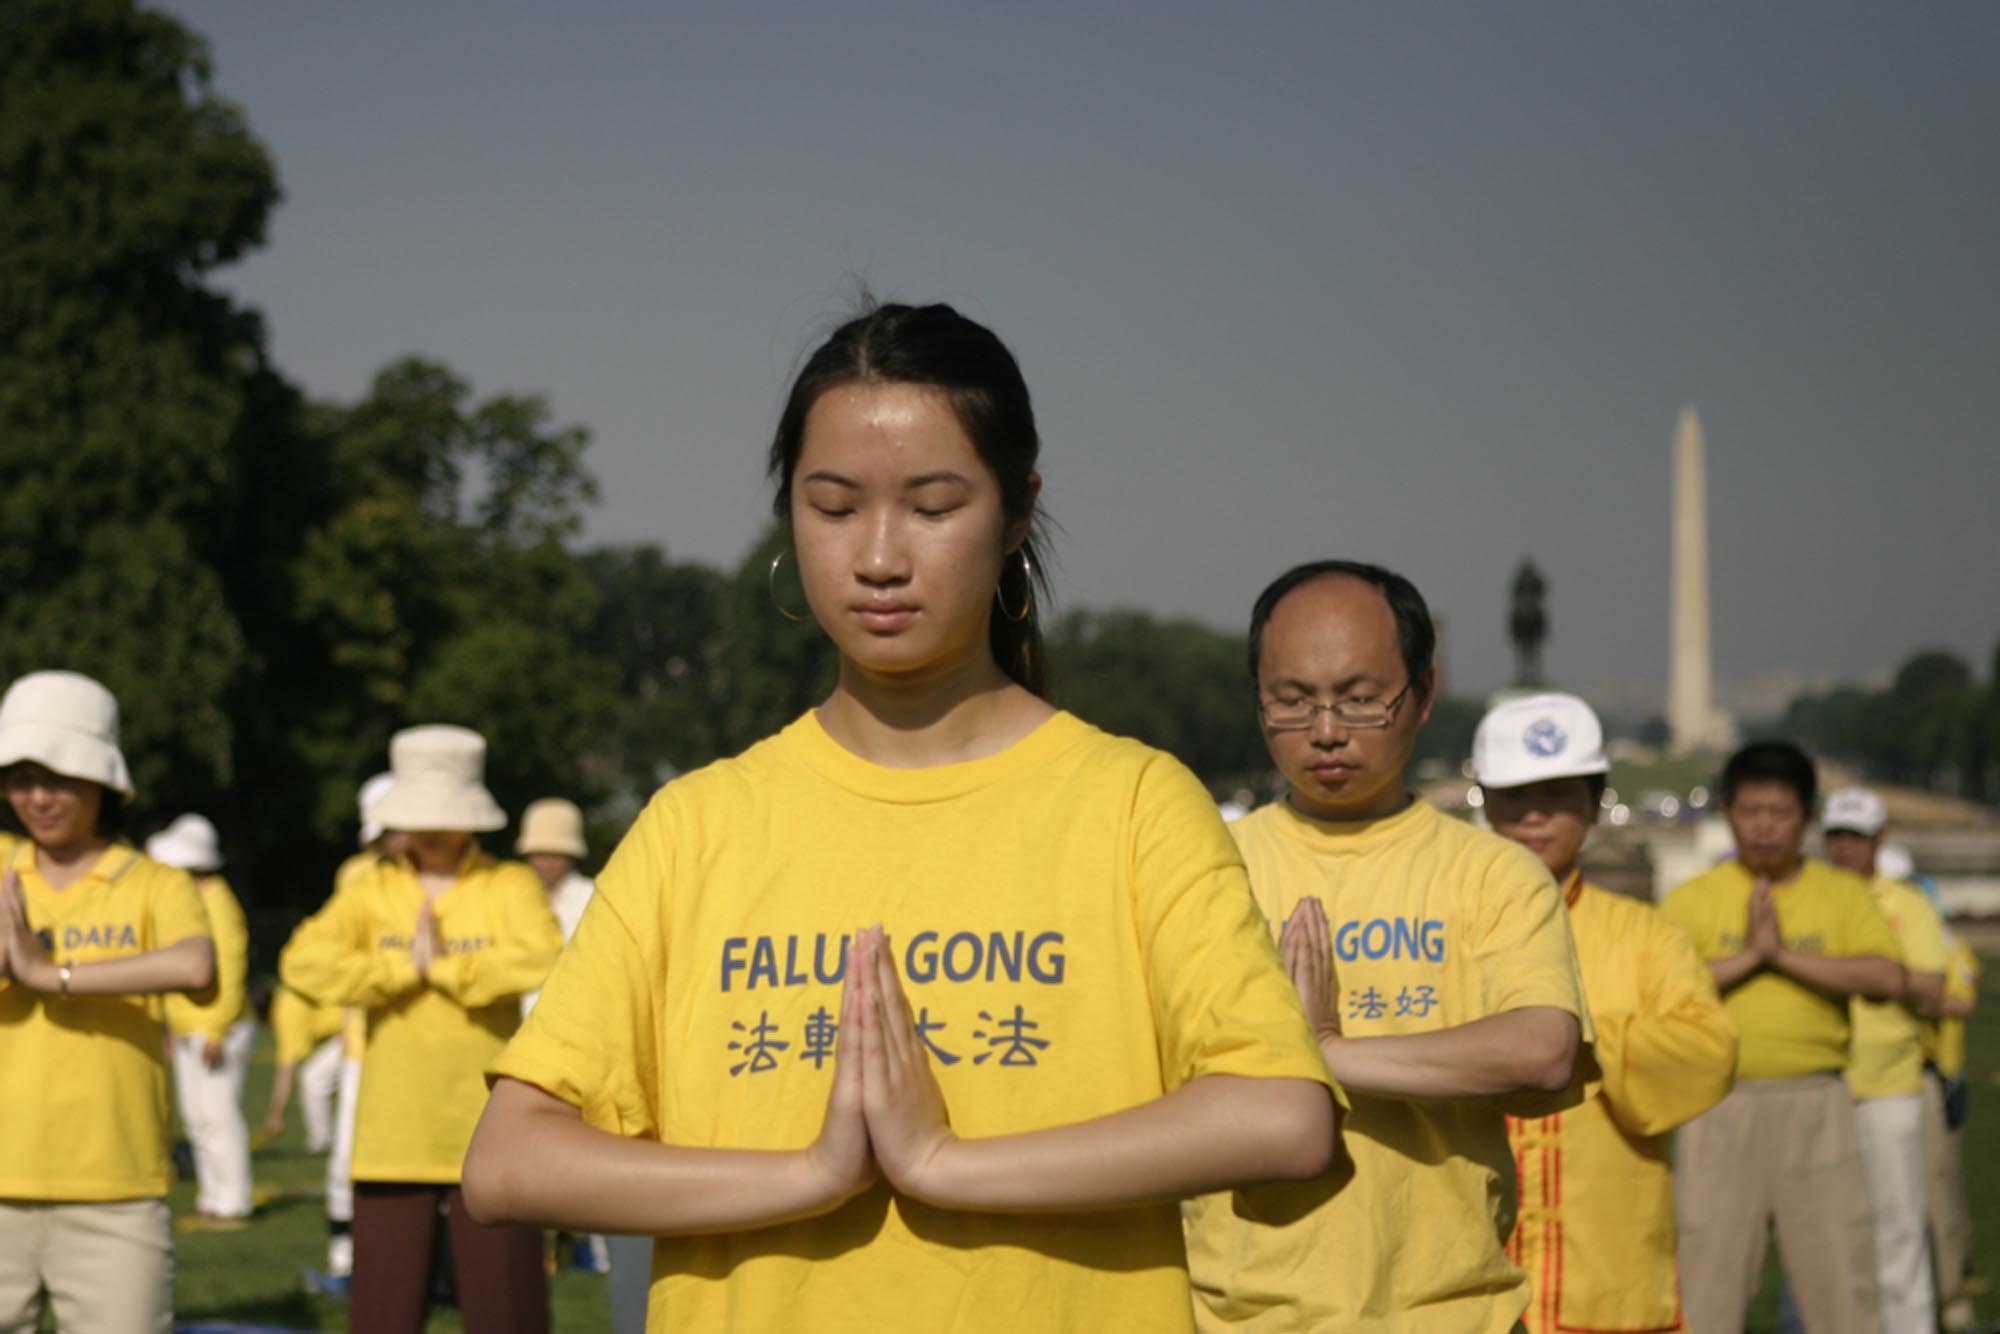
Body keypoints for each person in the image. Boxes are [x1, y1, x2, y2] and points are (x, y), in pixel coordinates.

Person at [463, 301, 1341, 1334]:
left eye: (932, 507)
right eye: (834, 508)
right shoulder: (696, 825)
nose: (878, 557)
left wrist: (945, 1164)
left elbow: (1279, 1113)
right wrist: (812, 1173)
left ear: (1017, 513)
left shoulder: (1133, 805)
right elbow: (510, 1159)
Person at [1182, 561, 1595, 1332]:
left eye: (1361, 700)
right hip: (1239, 1314)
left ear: (1424, 694)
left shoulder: (1494, 874)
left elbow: (1542, 1051)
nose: (1327, 731)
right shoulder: (1204, 867)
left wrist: (1326, 1055)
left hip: (1447, 1312)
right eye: (1292, 702)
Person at [281, 725, 562, 1333]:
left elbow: (544, 955)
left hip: (491, 1129)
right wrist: (398, 971)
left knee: (508, 1314)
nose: (432, 830)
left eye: (445, 817)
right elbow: (302, 961)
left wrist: (447, 969)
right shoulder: (370, 890)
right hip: (393, 1133)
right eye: (420, 817)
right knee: (383, 1315)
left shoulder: (508, 884)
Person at [1473, 692, 1737, 1334]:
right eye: (1514, 797)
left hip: (1608, 1274)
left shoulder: (1648, 937)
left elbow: (1709, 1051)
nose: (1534, 816)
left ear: (1595, 804)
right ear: (1485, 802)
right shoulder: (1442, 931)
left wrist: (1571, 1036)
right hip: (1466, 1277)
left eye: (1557, 796)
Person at [0, 670, 217, 1334]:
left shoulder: (156, 882)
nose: (38, 798)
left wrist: (50, 974)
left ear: (104, 781)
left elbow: (195, 965)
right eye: (21, 778)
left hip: (117, 1189)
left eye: (59, 778)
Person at [1662, 741, 1902, 1334]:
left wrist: (1784, 957)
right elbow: (1659, 993)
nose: (1764, 827)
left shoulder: (1843, 895)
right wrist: (1750, 957)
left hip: (1818, 1106)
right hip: (1717, 1105)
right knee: (1706, 1284)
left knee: (1842, 1284)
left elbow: (1885, 978)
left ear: (1807, 817)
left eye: (1780, 812)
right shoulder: (1692, 899)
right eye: (1751, 811)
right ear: (1727, 813)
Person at [1820, 788, 1949, 1334]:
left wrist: (1850, 974)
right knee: (1817, 1229)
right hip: (1821, 1083)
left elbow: (1932, 988)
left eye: (1857, 837)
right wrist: (1875, 974)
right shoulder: (1807, 896)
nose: (1845, 847)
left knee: (1898, 1225)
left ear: (1880, 840)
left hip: (1889, 1085)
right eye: (1837, 836)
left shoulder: (1908, 903)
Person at [149, 813, 256, 1227]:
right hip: (190, 1027)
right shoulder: (195, 901)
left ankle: (234, 1200)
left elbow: (229, 968)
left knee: (219, 1116)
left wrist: (215, 1028)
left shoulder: (216, 902)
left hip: (217, 1027)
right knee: (199, 1119)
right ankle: (213, 1196)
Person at [515, 797, 593, 1019]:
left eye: (555, 854)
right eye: (539, 853)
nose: (546, 862)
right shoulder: (514, 898)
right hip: (522, 1021)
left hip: (576, 1016)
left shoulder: (592, 898)